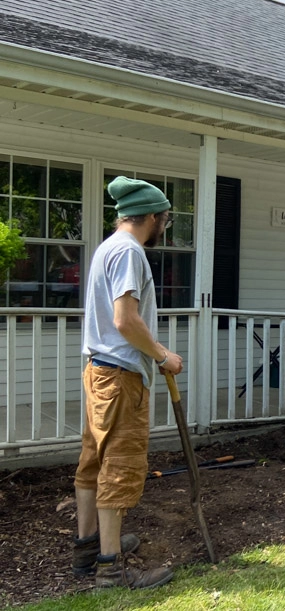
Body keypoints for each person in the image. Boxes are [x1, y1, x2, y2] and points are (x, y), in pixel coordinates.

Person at [74, 176, 182, 589]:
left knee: (93, 462)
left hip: (100, 371)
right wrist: (162, 355)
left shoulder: (108, 247)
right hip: (120, 376)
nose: (164, 228)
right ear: (153, 217)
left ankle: (88, 549)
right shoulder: (129, 252)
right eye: (166, 220)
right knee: (118, 467)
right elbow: (125, 320)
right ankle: (111, 568)